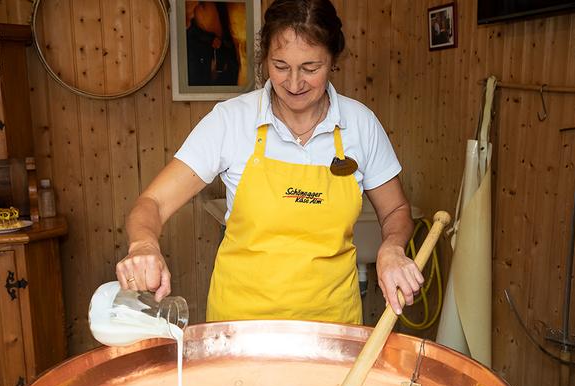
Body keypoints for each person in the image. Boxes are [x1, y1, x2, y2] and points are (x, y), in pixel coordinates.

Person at [116, 0, 423, 323]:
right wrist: (143, 245)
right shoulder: (230, 121)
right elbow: (152, 202)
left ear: (333, 60)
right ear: (264, 59)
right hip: (241, 327)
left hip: (334, 328)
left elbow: (395, 211)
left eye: (310, 68)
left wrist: (392, 246)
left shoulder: (360, 124)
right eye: (280, 66)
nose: (293, 83)